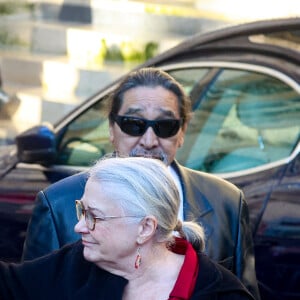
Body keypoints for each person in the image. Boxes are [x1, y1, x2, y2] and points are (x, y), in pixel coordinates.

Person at [22, 68, 260, 299]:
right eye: (133, 125)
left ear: (183, 131)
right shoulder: (57, 204)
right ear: (111, 129)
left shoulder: (227, 201)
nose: (149, 141)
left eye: (165, 126)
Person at [1, 157, 254, 300]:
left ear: (145, 228)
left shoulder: (220, 294)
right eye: (82, 210)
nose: (79, 227)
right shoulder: (77, 264)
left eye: (93, 217)